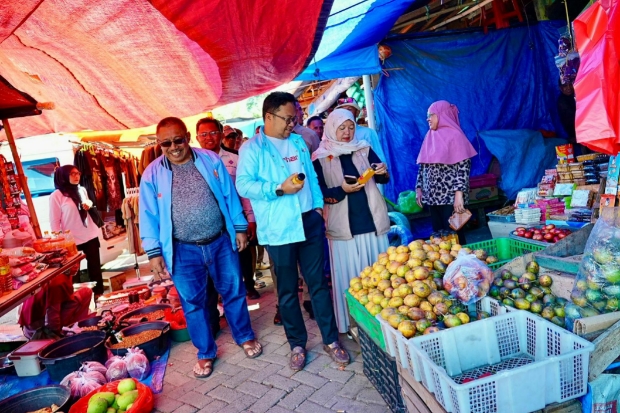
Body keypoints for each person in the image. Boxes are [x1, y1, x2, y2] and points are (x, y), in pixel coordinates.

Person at [140, 117, 261, 378]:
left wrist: (240, 227)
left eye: (178, 140)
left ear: (187, 136)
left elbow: (229, 195)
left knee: (234, 292)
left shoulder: (210, 160)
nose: (173, 147)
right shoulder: (152, 173)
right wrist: (154, 253)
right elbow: (148, 215)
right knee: (192, 303)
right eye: (166, 143)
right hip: (182, 250)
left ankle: (244, 336)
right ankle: (205, 352)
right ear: (159, 144)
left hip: (219, 240)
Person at [237, 92, 349, 371]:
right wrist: (278, 189)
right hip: (279, 228)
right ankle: (297, 344)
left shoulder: (298, 141)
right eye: (288, 120)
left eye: (295, 119)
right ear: (268, 117)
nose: (292, 125)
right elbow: (244, 185)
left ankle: (331, 339)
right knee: (287, 291)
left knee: (319, 285)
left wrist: (319, 206)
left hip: (309, 222)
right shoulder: (252, 149)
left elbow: (310, 176)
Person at [312, 109, 390, 333]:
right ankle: (351, 324)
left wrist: (382, 171)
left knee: (378, 278)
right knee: (350, 279)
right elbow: (320, 192)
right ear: (331, 128)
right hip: (343, 228)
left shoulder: (364, 147)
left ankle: (381, 325)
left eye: (351, 127)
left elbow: (383, 176)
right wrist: (342, 190)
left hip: (372, 222)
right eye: (342, 127)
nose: (347, 132)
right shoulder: (320, 156)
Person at [195, 117, 261, 301]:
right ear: (197, 137)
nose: (209, 138)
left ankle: (248, 285)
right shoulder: (191, 163)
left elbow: (244, 192)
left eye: (213, 133)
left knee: (242, 253)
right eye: (204, 134)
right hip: (208, 221)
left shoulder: (235, 159)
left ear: (221, 134)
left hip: (234, 217)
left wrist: (250, 218)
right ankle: (217, 295)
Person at [415, 100, 477, 244]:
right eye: (427, 115)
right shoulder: (429, 136)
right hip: (432, 198)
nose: (428, 119)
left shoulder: (456, 136)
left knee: (454, 236)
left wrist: (459, 195)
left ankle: (462, 264)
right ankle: (445, 265)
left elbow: (463, 169)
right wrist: (419, 187)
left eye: (431, 115)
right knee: (438, 237)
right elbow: (423, 165)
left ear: (442, 115)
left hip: (451, 198)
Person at [50, 165, 104, 295]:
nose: (76, 176)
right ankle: (75, 299)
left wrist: (89, 204)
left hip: (89, 234)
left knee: (95, 268)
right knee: (74, 272)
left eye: (78, 173)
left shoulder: (82, 190)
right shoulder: (56, 196)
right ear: (63, 176)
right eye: (72, 174)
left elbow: (87, 202)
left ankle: (98, 295)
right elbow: (54, 221)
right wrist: (59, 242)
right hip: (71, 240)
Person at [19, 266, 92, 338]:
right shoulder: (57, 281)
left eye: (78, 262)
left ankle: (74, 327)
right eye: (74, 264)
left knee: (85, 292)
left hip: (37, 323)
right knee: (86, 293)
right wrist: (56, 336)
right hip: (38, 330)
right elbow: (52, 318)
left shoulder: (63, 271)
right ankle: (73, 331)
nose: (77, 266)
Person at [336, 98, 386, 163]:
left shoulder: (368, 133)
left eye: (349, 109)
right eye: (342, 110)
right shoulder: (333, 134)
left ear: (357, 113)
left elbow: (380, 159)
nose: (345, 112)